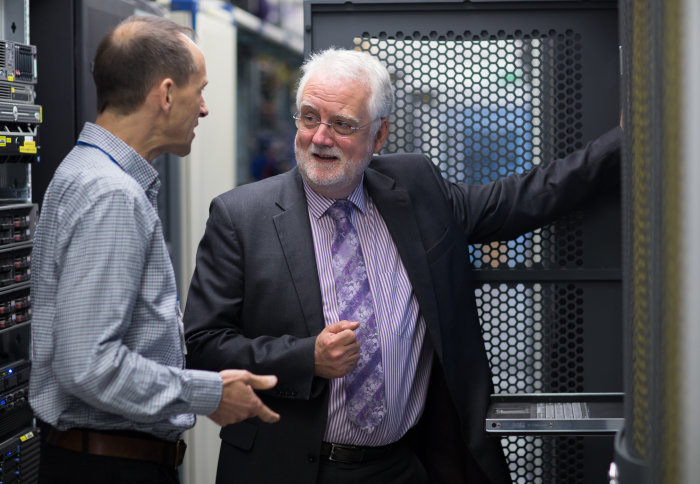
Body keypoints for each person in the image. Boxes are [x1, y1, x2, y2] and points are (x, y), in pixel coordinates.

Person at [183, 47, 621, 484]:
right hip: (284, 468)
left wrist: (622, 141)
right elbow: (202, 344)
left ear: (378, 136)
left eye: (342, 124)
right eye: (309, 116)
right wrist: (306, 358)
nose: (320, 137)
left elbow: (520, 199)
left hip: (401, 467)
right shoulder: (242, 217)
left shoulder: (416, 191)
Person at [29, 15, 280, 484]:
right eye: (198, 91)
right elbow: (87, 365)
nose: (204, 109)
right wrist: (209, 394)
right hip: (109, 468)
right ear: (165, 94)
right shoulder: (111, 194)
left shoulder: (89, 172)